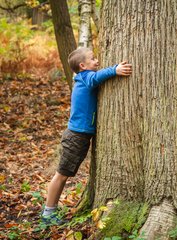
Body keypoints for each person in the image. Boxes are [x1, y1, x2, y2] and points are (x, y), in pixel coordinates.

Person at [41, 47, 133, 225]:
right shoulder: (85, 77)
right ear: (82, 65)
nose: (97, 61)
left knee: (64, 174)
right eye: (93, 59)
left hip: (79, 135)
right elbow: (95, 78)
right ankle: (48, 213)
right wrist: (115, 69)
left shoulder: (82, 78)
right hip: (76, 136)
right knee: (62, 174)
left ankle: (49, 210)